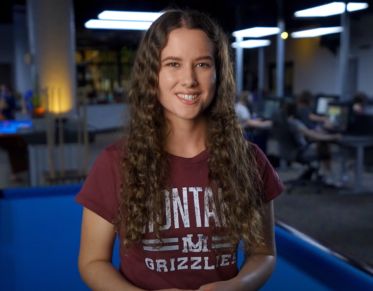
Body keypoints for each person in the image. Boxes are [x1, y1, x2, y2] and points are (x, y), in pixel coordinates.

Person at [76, 9, 283, 291]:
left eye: (202, 64)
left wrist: (236, 286)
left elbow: (263, 254)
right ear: (153, 74)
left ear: (218, 73)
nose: (189, 79)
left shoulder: (250, 160)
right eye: (173, 63)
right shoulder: (115, 162)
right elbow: (93, 261)